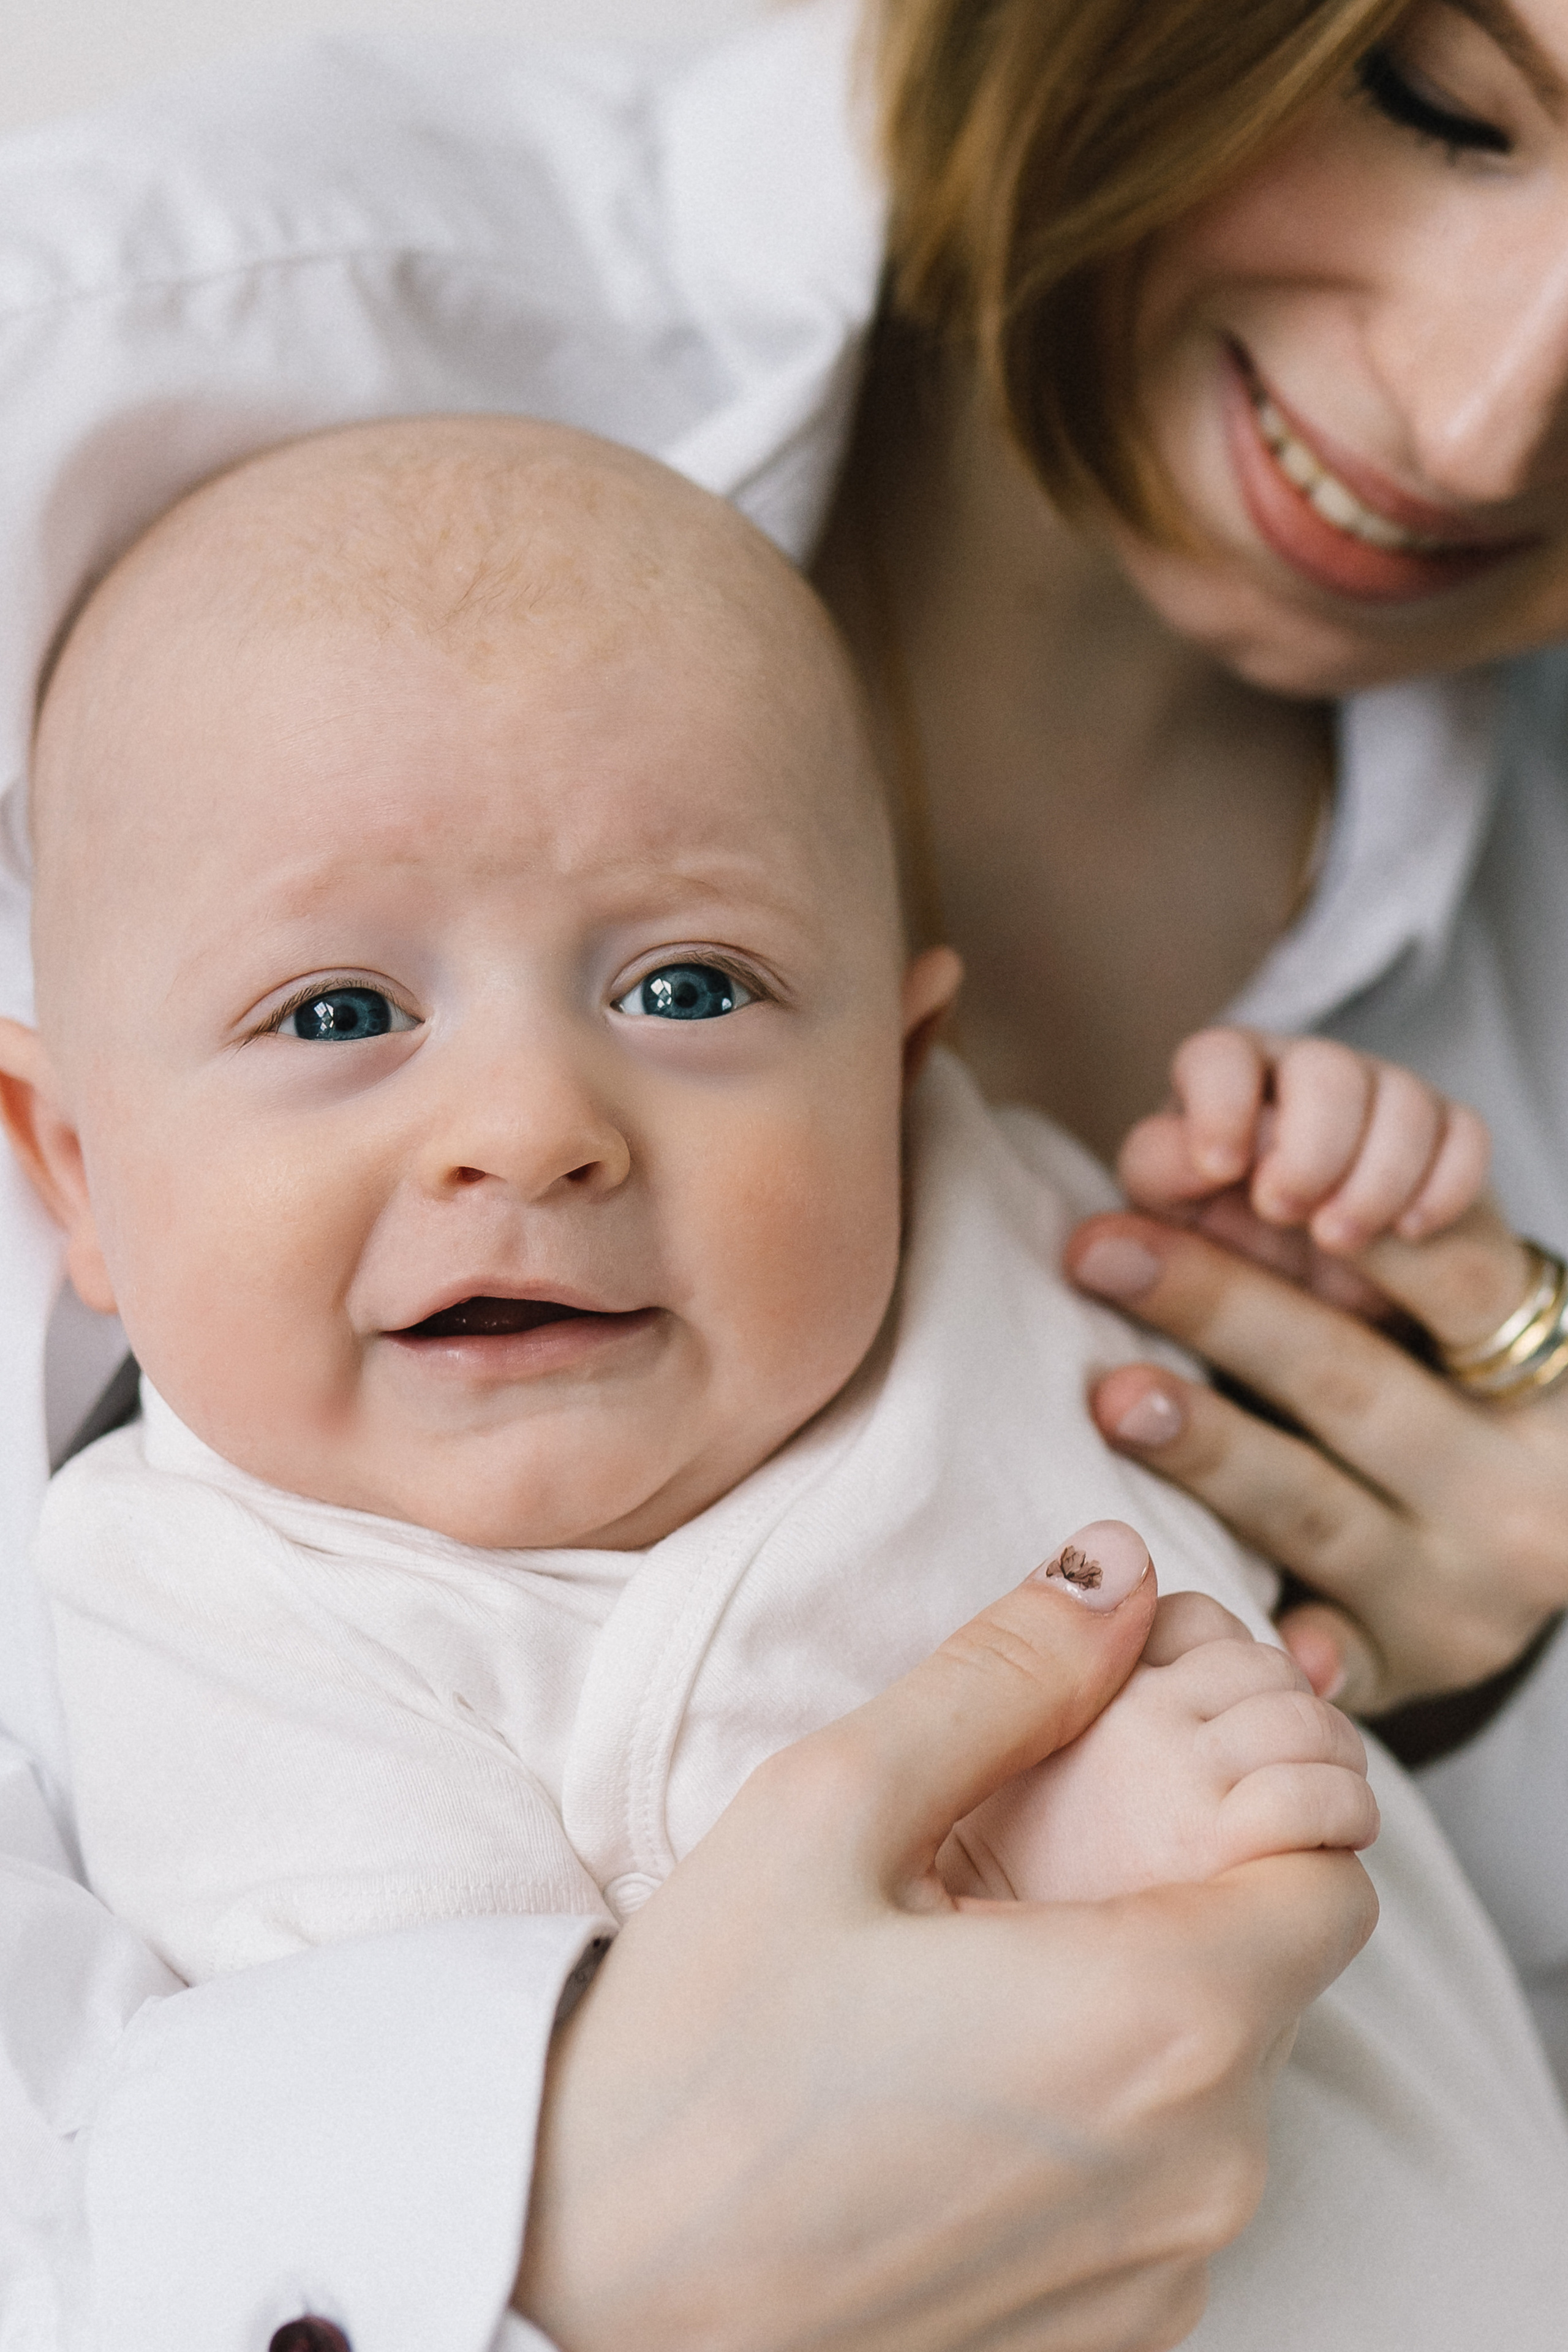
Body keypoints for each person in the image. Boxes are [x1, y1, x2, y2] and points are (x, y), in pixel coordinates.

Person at [0, 0, 1564, 2342]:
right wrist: (1039, 1872)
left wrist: (1364, 1379)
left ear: (911, 1068)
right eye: (1439, 99)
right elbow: (511, 2075)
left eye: (691, 987)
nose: (1477, 415)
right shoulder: (230, 1611)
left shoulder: (1001, 1218)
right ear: (68, 1164)